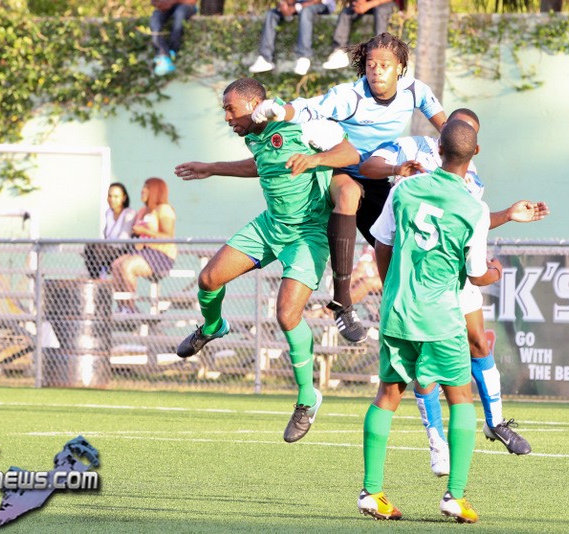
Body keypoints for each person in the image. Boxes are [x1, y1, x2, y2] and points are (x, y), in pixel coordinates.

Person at [360, 108, 549, 469]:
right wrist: (395, 168)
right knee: (431, 370)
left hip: (453, 276)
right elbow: (368, 167)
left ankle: (496, 423)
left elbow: (473, 221)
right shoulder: (413, 153)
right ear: (445, 134)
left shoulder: (471, 182)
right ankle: (437, 442)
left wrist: (507, 214)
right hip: (424, 280)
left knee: (478, 342)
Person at [173, 78, 359, 443]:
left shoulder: (302, 123)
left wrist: (315, 159)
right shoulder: (253, 137)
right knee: (208, 279)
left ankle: (307, 398)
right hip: (270, 225)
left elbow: (350, 154)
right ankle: (213, 327)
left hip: (308, 232)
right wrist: (213, 167)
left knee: (287, 314)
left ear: (255, 104)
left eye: (231, 109)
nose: (227, 118)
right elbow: (261, 165)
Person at [251, 32, 446, 344]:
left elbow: (448, 129)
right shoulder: (350, 96)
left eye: (384, 65)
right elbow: (308, 107)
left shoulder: (415, 91)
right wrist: (279, 110)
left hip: (378, 176)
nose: (376, 71)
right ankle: (342, 301)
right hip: (339, 168)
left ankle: (408, 310)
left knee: (398, 245)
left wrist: (462, 146)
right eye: (371, 64)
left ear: (400, 67)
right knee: (349, 194)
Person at [358, 119, 497, 523]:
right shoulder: (474, 208)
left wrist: (392, 288)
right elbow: (476, 275)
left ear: (438, 149)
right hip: (440, 317)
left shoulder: (404, 189)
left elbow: (382, 243)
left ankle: (371, 491)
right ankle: (455, 495)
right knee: (460, 398)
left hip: (398, 310)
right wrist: (495, 272)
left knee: (387, 394)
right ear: (475, 154)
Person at [111, 177, 177, 312]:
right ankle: (122, 306)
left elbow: (168, 236)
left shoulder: (164, 209)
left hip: (160, 254)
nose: (143, 190)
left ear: (156, 190)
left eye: (147, 188)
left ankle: (130, 308)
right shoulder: (142, 211)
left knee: (128, 266)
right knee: (116, 265)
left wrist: (145, 231)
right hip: (142, 252)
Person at [248, 0, 337, 76]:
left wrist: (297, 7)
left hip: (321, 4)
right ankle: (265, 58)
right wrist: (284, 5)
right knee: (272, 13)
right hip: (297, 6)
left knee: (305, 11)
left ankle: (304, 57)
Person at [322, 0, 398, 70]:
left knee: (381, 10)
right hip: (365, 4)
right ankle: (340, 52)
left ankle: (381, 50)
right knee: (347, 11)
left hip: (385, 3)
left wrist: (368, 5)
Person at [83, 182, 136, 279]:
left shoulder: (129, 213)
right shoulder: (109, 213)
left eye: (116, 196)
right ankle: (96, 278)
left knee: (95, 249)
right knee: (91, 247)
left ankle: (98, 278)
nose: (112, 199)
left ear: (124, 198)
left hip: (121, 251)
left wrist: (106, 246)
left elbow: (123, 239)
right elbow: (106, 235)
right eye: (110, 196)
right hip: (107, 251)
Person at [149, 0, 198, 76]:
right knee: (155, 18)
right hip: (166, 8)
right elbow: (153, 2)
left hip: (186, 6)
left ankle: (173, 51)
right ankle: (163, 54)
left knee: (179, 14)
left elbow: (192, 1)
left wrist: (173, 1)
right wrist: (158, 3)